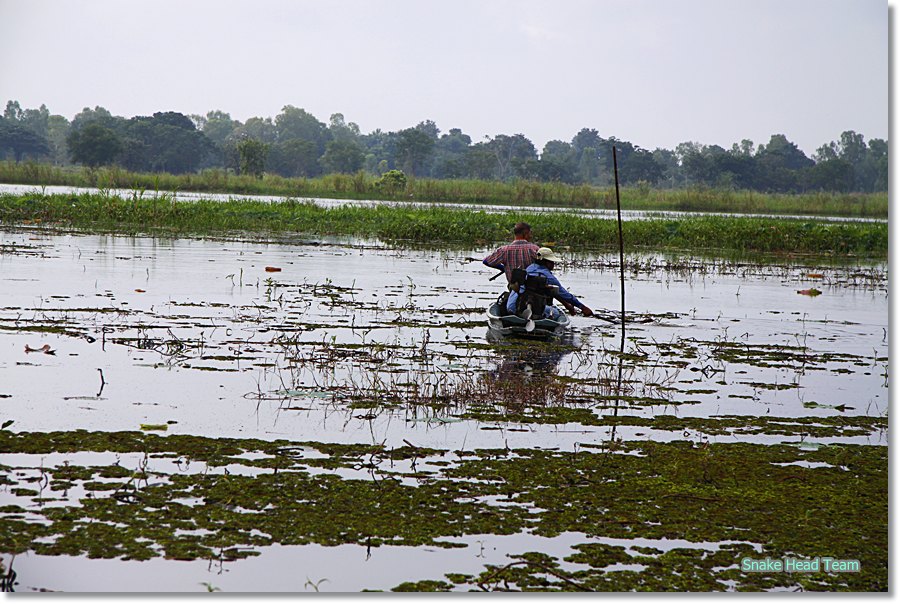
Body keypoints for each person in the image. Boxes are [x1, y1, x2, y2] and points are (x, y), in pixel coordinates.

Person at [506, 247, 593, 320]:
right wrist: (583, 307)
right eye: (552, 262)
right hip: (531, 310)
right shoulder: (547, 276)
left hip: (512, 307)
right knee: (556, 313)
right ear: (546, 262)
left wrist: (567, 305)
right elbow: (564, 294)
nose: (553, 264)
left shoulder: (529, 269)